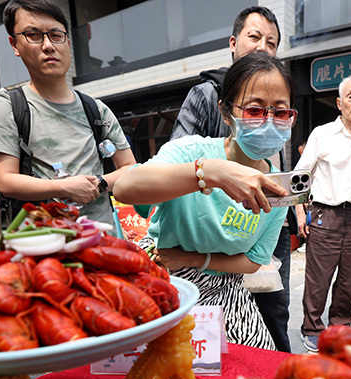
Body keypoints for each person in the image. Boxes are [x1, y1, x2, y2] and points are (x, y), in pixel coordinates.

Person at [113, 52, 294, 350]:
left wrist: (197, 260)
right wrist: (209, 173)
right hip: (164, 279)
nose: (269, 122)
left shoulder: (276, 186)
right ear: (226, 113)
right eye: (254, 110)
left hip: (227, 289)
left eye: (281, 112)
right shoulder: (189, 152)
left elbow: (253, 261)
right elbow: (125, 188)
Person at [169, 6, 295, 353]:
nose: (262, 47)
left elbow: (276, 168)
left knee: (273, 310)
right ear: (233, 42)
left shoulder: (277, 96)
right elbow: (161, 173)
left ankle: (278, 370)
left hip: (268, 221)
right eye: (254, 37)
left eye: (271, 41)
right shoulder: (207, 97)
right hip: (213, 231)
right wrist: (213, 172)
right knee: (208, 338)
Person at [0, 0, 136, 226]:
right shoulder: (6, 106)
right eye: (33, 35)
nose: (47, 45)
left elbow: (130, 168)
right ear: (14, 44)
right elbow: (6, 181)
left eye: (55, 35)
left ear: (68, 43)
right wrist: (65, 186)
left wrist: (99, 183)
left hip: (104, 240)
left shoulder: (96, 109)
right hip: (44, 245)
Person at [295, 74, 351, 353]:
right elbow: (300, 177)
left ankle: (340, 328)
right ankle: (312, 329)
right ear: (339, 103)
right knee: (318, 279)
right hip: (323, 216)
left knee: (349, 280)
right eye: (350, 96)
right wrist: (298, 214)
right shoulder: (322, 134)